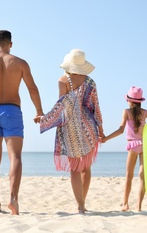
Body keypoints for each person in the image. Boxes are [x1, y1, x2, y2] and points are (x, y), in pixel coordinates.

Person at [0, 30, 44, 215]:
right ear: (11, 44)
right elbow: (32, 88)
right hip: (12, 111)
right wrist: (39, 111)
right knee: (16, 157)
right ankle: (13, 199)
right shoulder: (20, 63)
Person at [35, 49, 105, 214]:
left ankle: (79, 205)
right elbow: (96, 108)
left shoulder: (63, 81)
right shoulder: (91, 83)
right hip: (88, 127)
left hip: (70, 128)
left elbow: (62, 107)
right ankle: (83, 203)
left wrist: (44, 118)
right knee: (86, 167)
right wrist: (101, 130)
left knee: (74, 168)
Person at [102, 86, 147, 212]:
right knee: (143, 176)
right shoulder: (145, 113)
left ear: (130, 101)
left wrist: (106, 139)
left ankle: (125, 204)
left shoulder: (126, 112)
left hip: (133, 145)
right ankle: (139, 206)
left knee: (129, 176)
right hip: (145, 146)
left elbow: (121, 130)